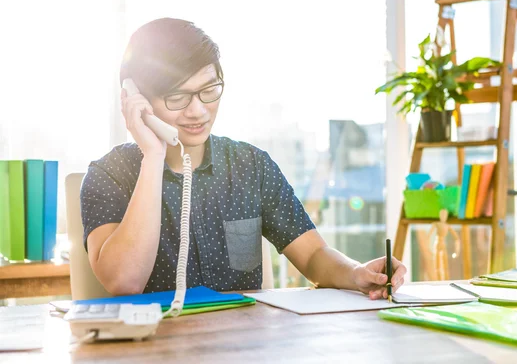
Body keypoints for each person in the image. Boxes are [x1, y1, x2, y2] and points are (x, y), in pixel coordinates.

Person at [81, 18, 407, 298]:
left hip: (244, 344)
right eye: (177, 96)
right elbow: (124, 281)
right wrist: (153, 155)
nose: (198, 110)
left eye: (209, 89)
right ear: (137, 98)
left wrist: (355, 273)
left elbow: (312, 256)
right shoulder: (109, 175)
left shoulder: (251, 165)